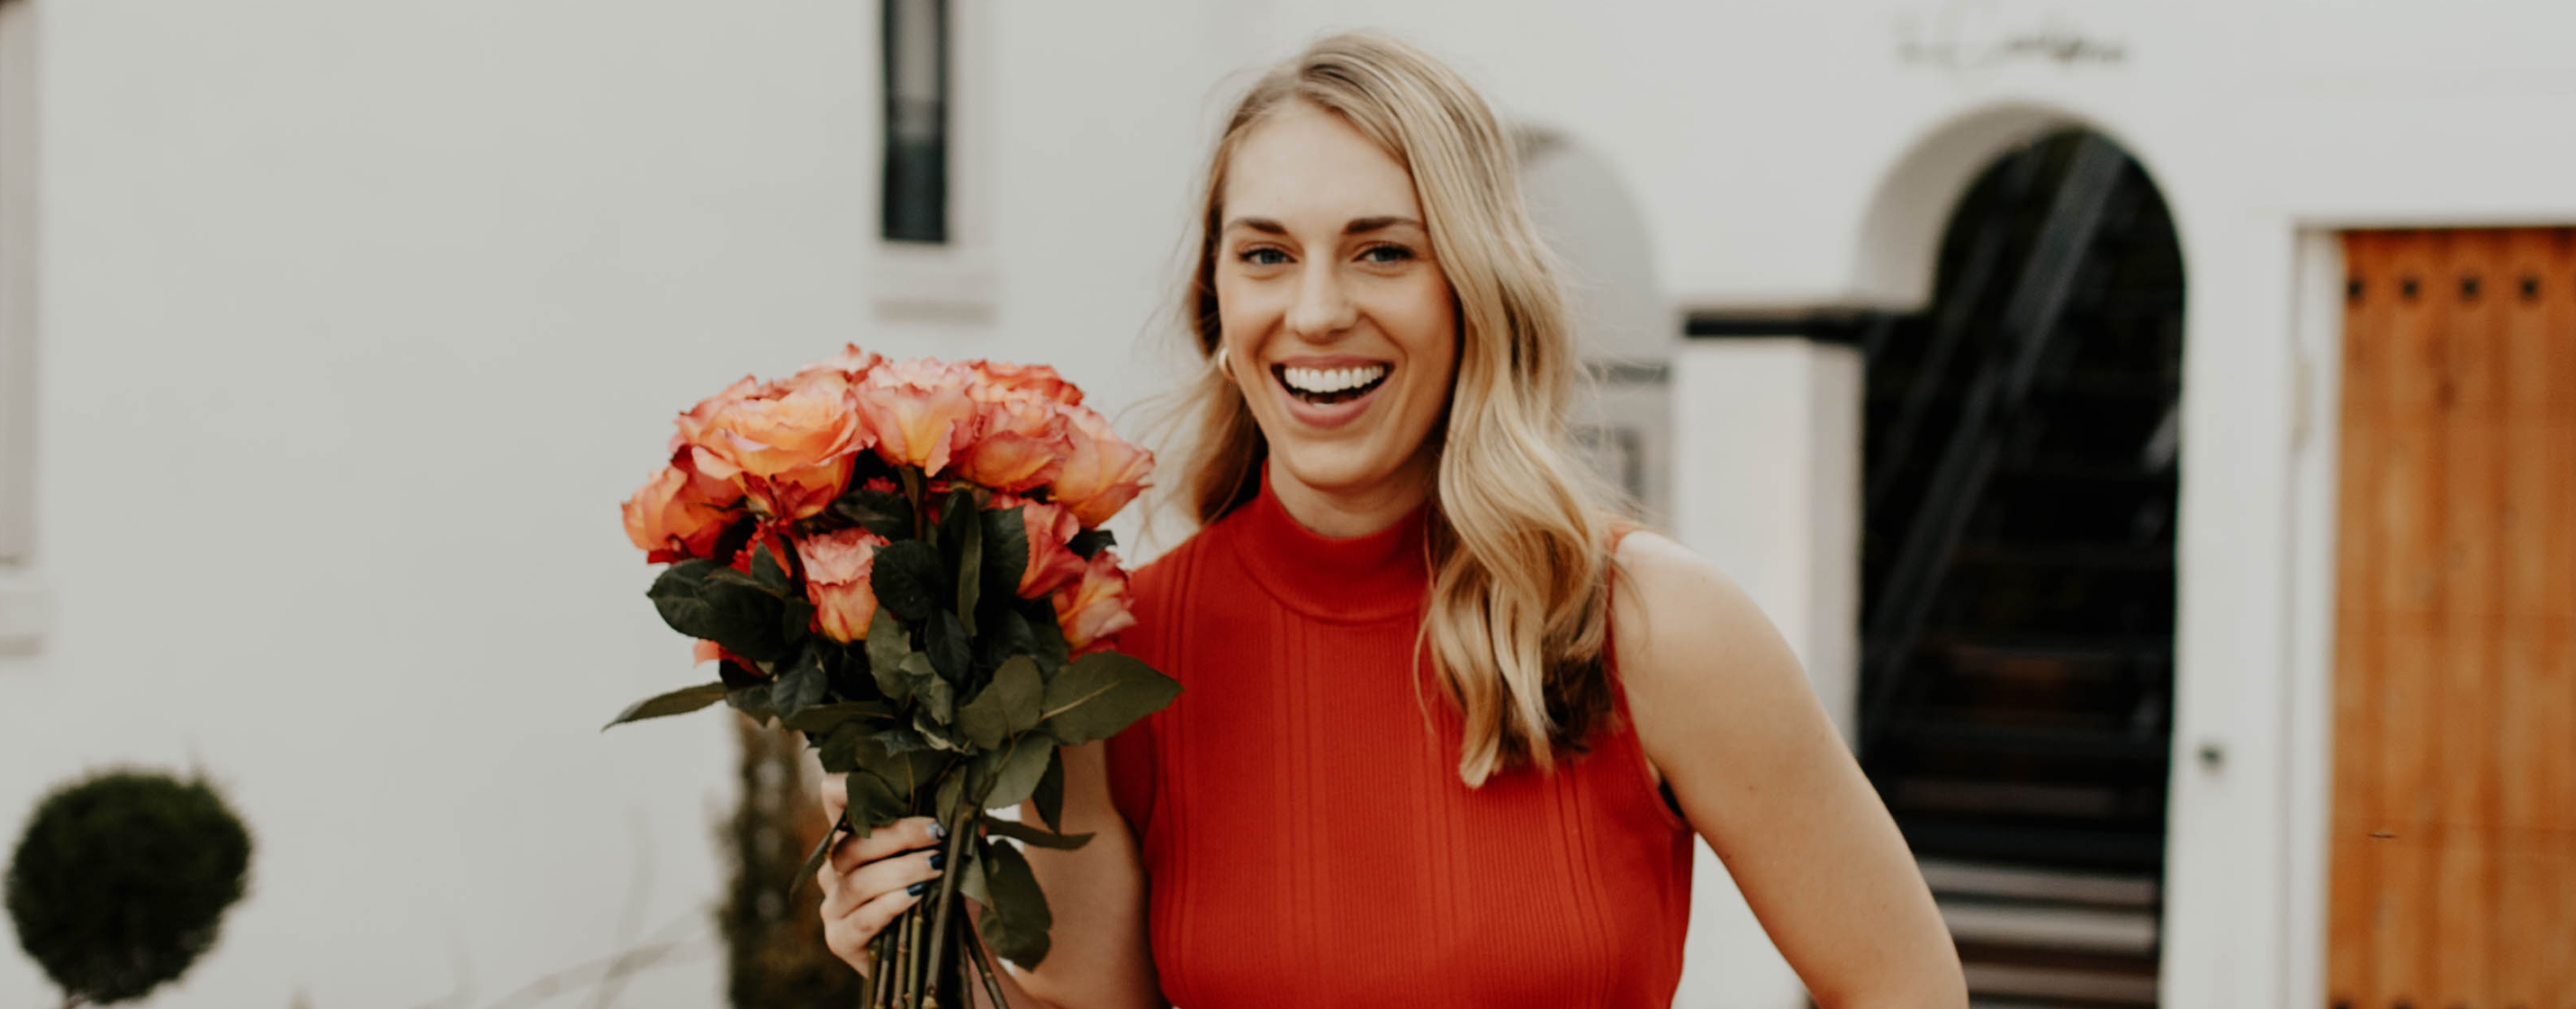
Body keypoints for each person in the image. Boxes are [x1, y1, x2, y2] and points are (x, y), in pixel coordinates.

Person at [815, 31, 1966, 1007]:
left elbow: (1904, 986)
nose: (1317, 311)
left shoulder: (1650, 625)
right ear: (1216, 301)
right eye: (1266, 254)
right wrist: (917, 952)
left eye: (1382, 252)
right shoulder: (1108, 661)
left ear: (1472, 289)